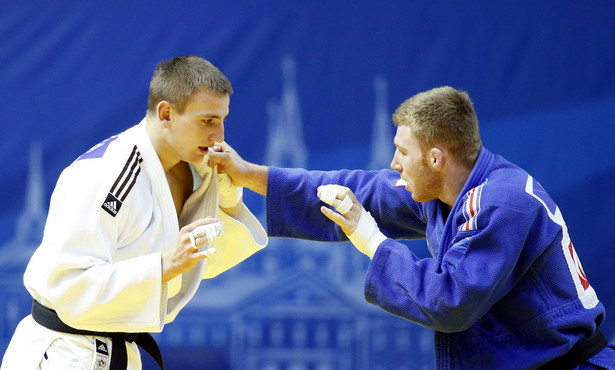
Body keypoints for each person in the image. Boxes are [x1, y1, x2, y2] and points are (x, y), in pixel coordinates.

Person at [209, 86, 615, 369]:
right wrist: (249, 175)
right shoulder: (446, 191)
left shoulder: (501, 202)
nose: (394, 163)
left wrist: (368, 237)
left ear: (436, 158)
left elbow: (449, 301)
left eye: (403, 151)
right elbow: (354, 189)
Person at [1, 55, 267, 369]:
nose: (219, 135)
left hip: (119, 350)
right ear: (167, 113)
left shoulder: (197, 171)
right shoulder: (106, 174)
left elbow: (198, 264)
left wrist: (226, 192)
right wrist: (166, 264)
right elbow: (69, 287)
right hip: (64, 353)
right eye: (207, 120)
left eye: (223, 119)